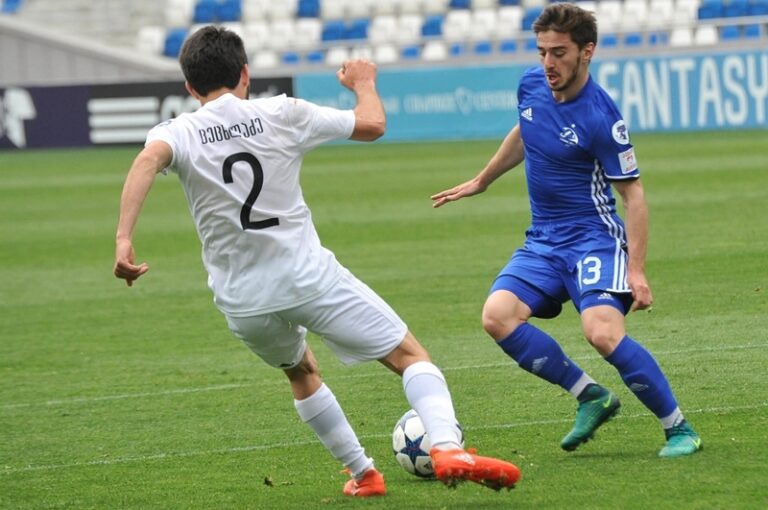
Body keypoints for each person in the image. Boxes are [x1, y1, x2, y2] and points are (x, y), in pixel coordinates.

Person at [113, 26, 520, 497]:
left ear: (189, 86)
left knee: (301, 371)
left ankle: (364, 475)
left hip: (242, 300)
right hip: (308, 278)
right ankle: (446, 446)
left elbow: (146, 161)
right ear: (245, 73)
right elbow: (372, 125)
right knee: (410, 356)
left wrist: (124, 239)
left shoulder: (177, 132)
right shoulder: (282, 112)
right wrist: (363, 84)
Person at [431, 3, 701, 458]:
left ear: (586, 51)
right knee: (497, 316)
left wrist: (637, 271)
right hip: (543, 240)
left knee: (602, 332)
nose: (548, 63)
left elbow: (633, 195)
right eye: (542, 52)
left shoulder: (601, 117)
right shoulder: (531, 84)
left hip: (594, 239)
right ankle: (590, 395)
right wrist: (482, 180)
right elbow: (526, 129)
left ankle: (679, 429)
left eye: (558, 53)